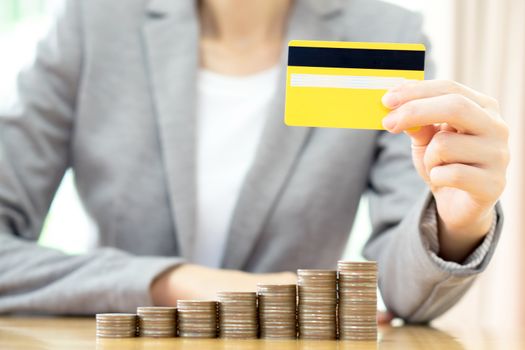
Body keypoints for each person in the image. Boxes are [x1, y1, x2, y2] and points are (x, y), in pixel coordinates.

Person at [0, 0, 508, 323]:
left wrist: (456, 222)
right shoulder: (94, 22)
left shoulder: (384, 32)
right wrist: (177, 281)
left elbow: (402, 293)